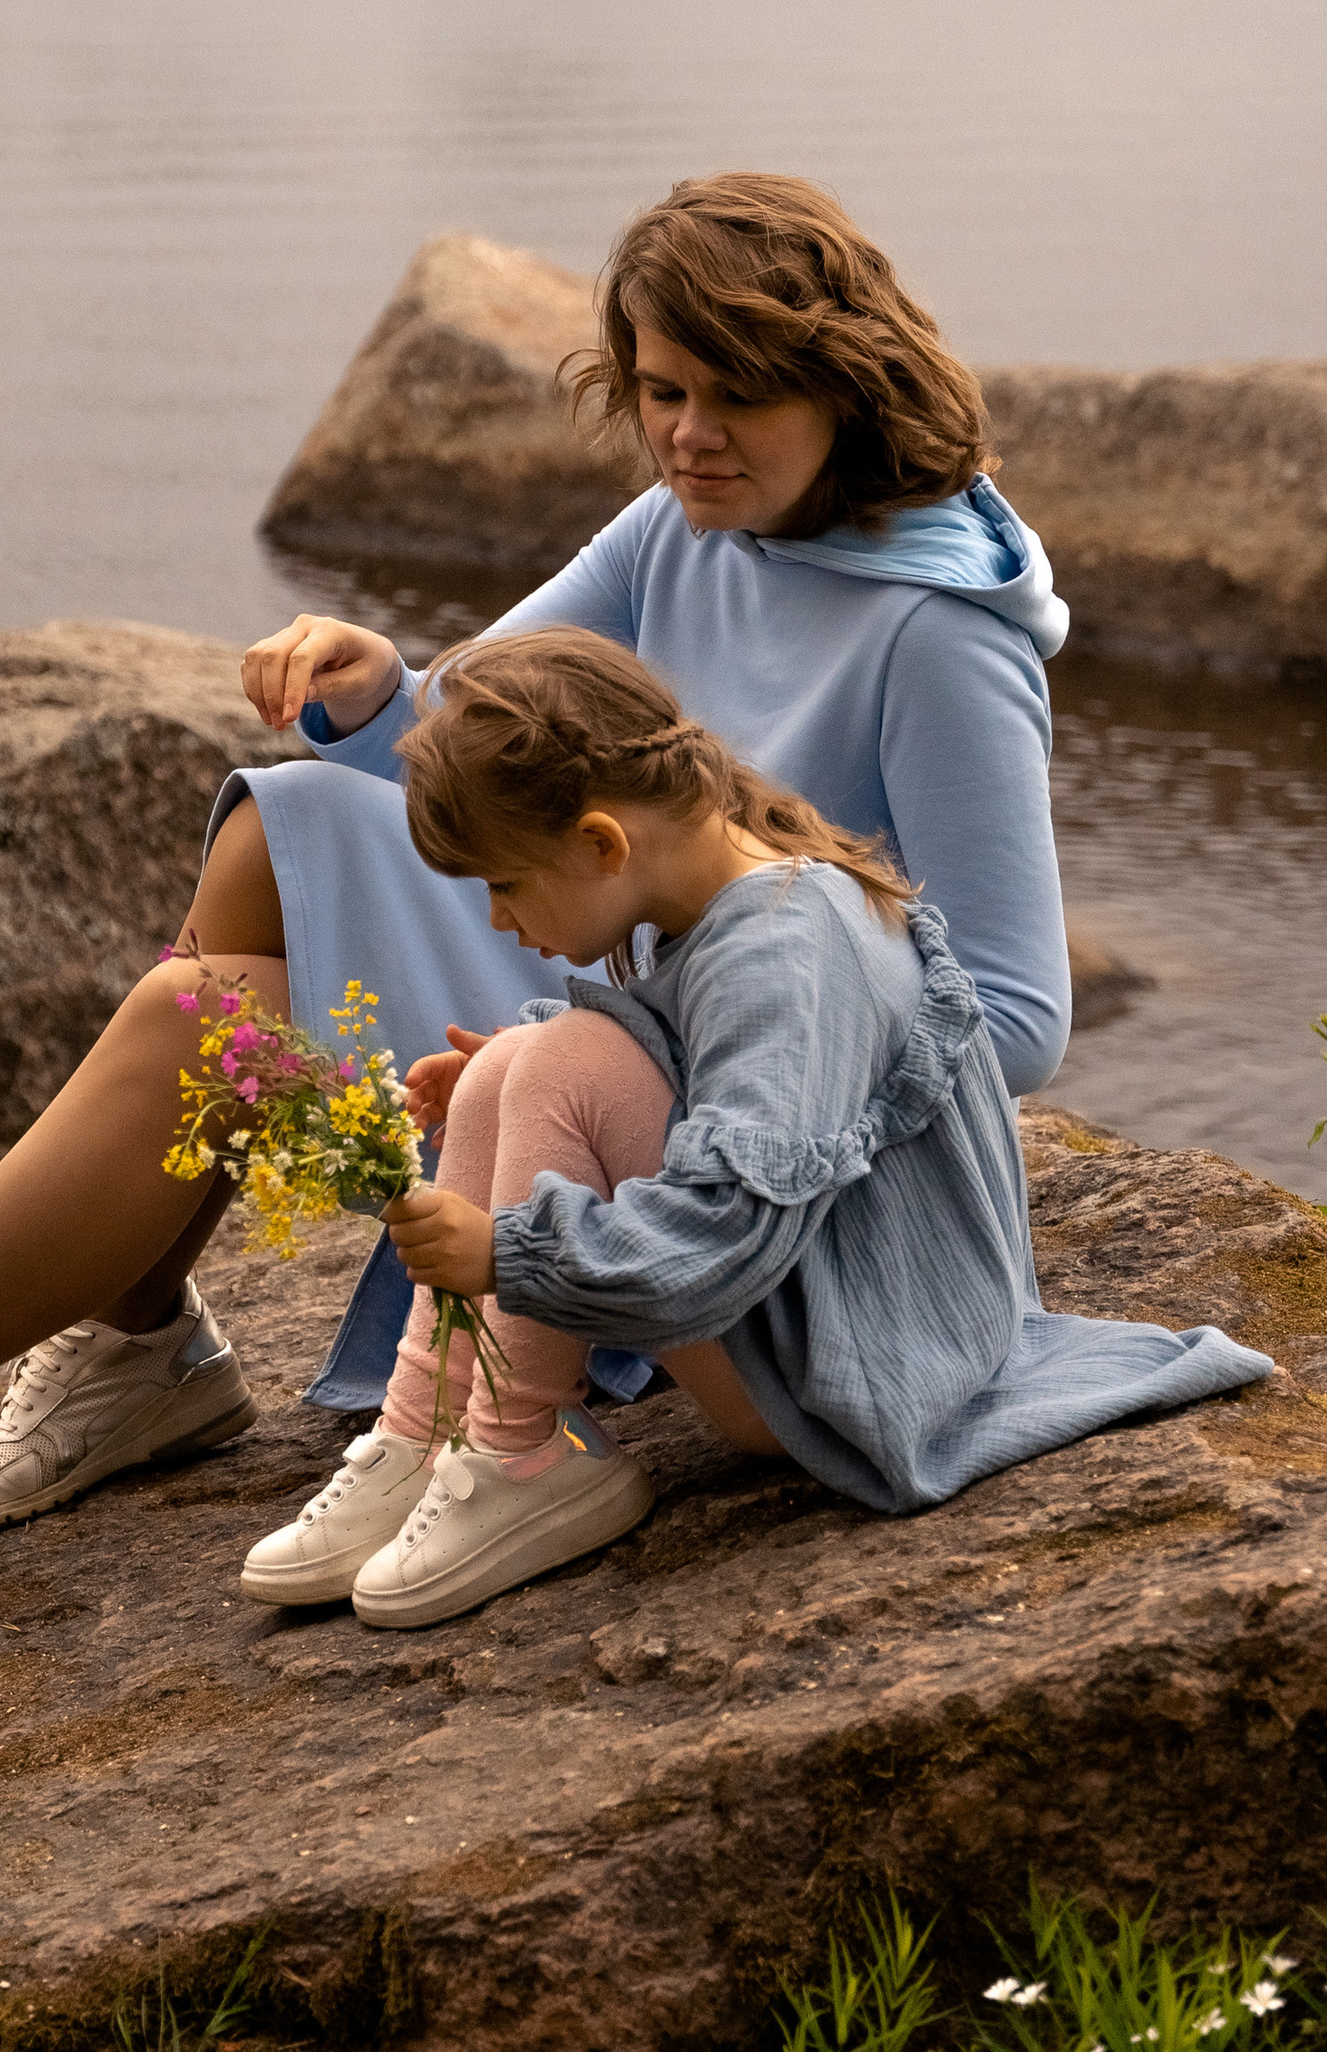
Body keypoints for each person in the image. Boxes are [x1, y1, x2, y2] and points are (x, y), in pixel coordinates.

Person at [0, 173, 1081, 1607]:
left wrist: (680, 1040)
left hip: (743, 1073)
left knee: (209, 1021)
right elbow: (494, 743)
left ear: (844, 381)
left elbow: (1011, 1014)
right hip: (614, 955)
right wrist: (379, 691)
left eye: (738, 396)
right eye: (663, 391)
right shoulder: (685, 526)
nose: (687, 436)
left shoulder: (939, 631)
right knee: (288, 824)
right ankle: (123, 1346)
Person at [245, 633, 1271, 1631]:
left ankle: (522, 1453)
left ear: (602, 842)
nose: (501, 921)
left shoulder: (783, 946)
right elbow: (715, 1066)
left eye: (504, 885)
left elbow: (732, 1221)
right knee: (516, 1068)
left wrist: (509, 1255)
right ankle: (425, 1432)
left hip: (855, 1373)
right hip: (823, 1328)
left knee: (556, 1063)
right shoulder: (740, 892)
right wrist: (511, 1069)